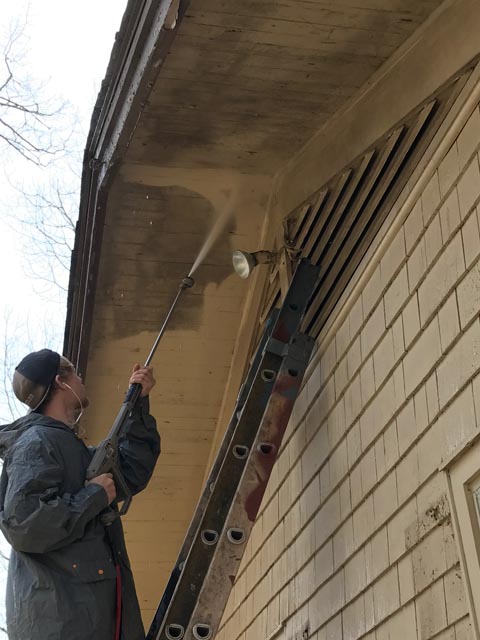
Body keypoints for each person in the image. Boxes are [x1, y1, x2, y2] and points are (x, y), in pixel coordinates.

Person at [0, 348, 161, 640]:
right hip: (64, 625)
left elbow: (131, 471)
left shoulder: (70, 449)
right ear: (61, 381)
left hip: (88, 619)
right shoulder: (37, 442)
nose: (81, 377)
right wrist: (94, 496)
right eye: (74, 372)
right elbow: (26, 523)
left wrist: (137, 402)